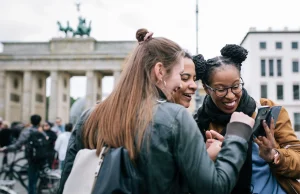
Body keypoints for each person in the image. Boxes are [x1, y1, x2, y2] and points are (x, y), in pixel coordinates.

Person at [58, 29, 255, 194]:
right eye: (181, 75)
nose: (182, 83)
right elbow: (215, 188)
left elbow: (67, 183)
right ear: (160, 71)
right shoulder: (175, 118)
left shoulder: (89, 117)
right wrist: (236, 136)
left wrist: (200, 157)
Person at [193, 44, 300, 194]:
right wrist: (209, 158)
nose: (230, 96)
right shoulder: (198, 125)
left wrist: (274, 155)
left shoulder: (269, 111)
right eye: (221, 89)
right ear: (206, 87)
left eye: (236, 86)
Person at [0, 115, 50, 194]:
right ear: (39, 122)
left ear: (31, 121)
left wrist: (6, 148)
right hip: (41, 157)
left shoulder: (27, 131)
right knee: (36, 177)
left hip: (32, 158)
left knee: (32, 182)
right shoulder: (41, 131)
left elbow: (17, 145)